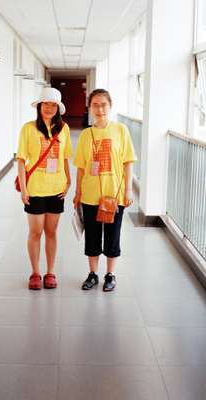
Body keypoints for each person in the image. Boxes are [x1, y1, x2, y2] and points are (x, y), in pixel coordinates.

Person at [73, 89, 137, 292]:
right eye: (95, 105)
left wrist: (128, 190)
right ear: (89, 107)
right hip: (90, 193)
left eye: (103, 104)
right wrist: (77, 192)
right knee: (91, 235)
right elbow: (81, 167)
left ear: (110, 106)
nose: (99, 109)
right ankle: (92, 274)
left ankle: (110, 274)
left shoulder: (121, 130)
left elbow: (128, 162)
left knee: (112, 235)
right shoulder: (85, 135)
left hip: (114, 194)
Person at [16, 87, 72, 290]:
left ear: (58, 108)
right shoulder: (28, 128)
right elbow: (21, 161)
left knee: (51, 231)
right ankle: (35, 273)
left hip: (56, 188)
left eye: (53, 105)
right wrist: (23, 188)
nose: (49, 108)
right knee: (35, 231)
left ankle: (50, 272)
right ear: (39, 106)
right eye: (46, 104)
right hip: (35, 189)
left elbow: (65, 157)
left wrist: (68, 180)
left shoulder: (63, 129)